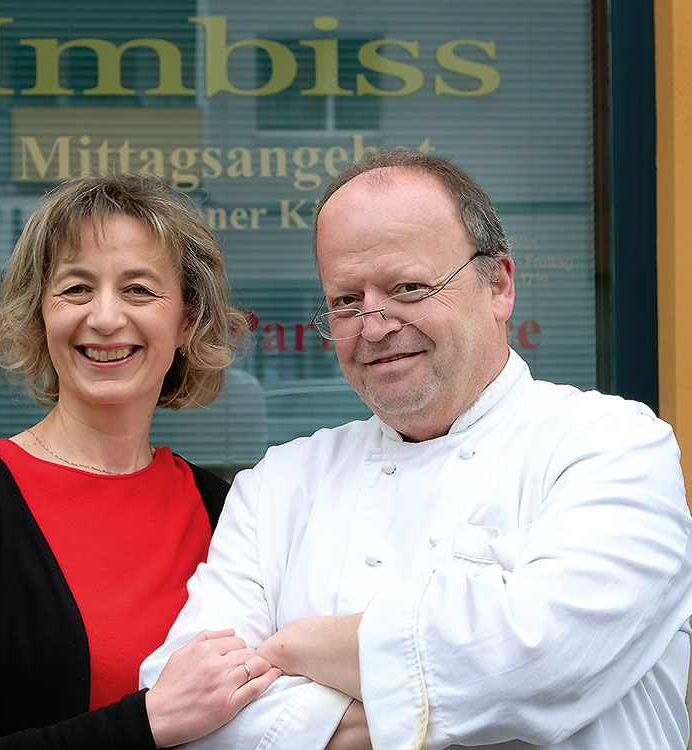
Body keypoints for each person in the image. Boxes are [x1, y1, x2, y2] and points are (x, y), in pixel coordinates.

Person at [139, 149, 692, 750]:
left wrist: (295, 647)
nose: (374, 327)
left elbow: (540, 661)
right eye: (346, 300)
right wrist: (445, 677)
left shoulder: (612, 446)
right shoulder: (280, 482)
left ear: (499, 284)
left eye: (408, 288)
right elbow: (182, 705)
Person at [0, 174, 280, 749]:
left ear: (188, 322)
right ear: (40, 313)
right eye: (75, 288)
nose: (103, 318)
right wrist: (143, 724)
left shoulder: (225, 510)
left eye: (139, 290)